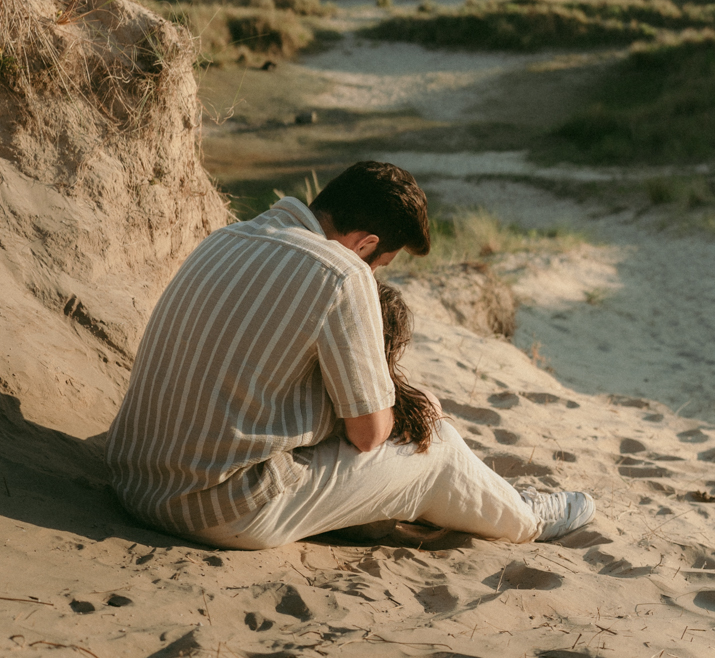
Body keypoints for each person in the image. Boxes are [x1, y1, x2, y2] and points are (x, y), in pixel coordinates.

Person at [105, 160, 595, 549]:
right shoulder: (343, 272)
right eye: (380, 265)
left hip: (132, 480)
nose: (375, 276)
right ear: (367, 244)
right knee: (437, 449)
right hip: (215, 509)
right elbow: (369, 434)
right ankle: (528, 518)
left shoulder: (225, 237)